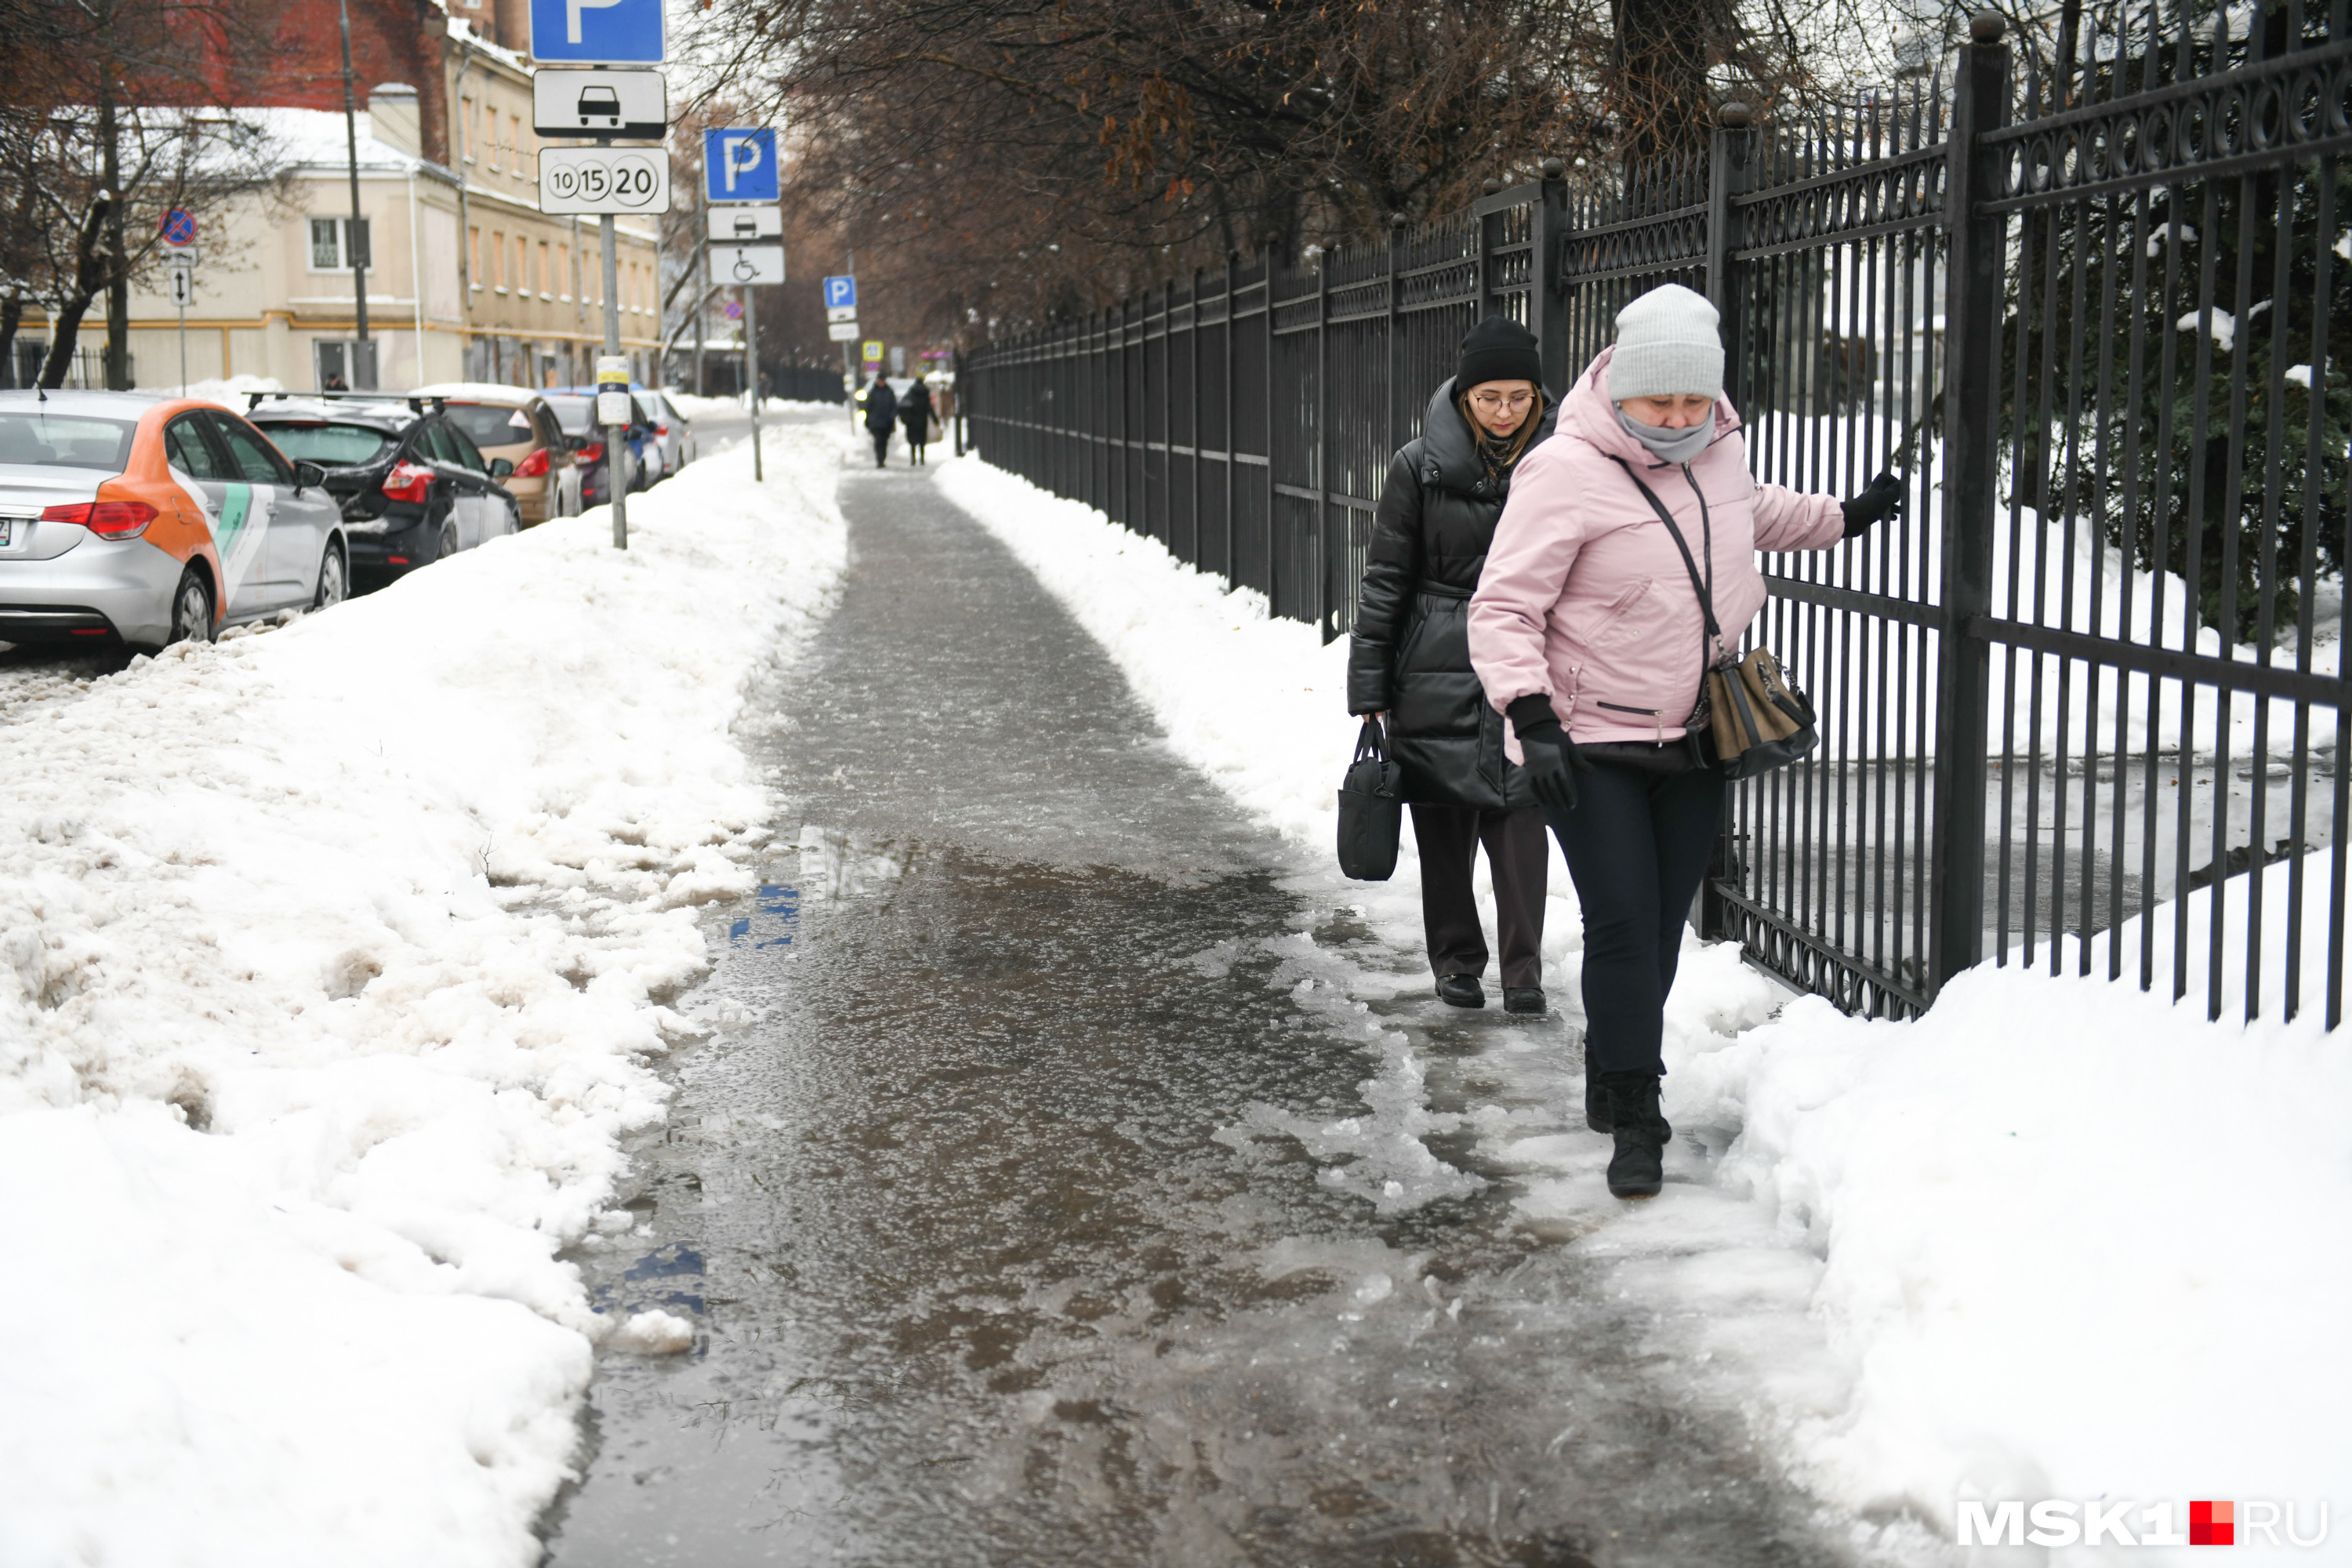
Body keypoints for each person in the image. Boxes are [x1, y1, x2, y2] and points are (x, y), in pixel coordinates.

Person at [1467, 283, 1903, 1199]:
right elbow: (1505, 607)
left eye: (1692, 402)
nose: (1675, 419)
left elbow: (1752, 512)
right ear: (1620, 389)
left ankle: (1609, 1057)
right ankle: (1636, 1111)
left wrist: (1846, 516)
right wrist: (1531, 717)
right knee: (1624, 922)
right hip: (1588, 742)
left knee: (1662, 928)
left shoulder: (1720, 448)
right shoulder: (1563, 470)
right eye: (1657, 402)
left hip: (1698, 737)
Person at [1349, 317, 1559, 1015]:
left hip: (1529, 656)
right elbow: (1385, 579)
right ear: (1465, 396)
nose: (1505, 412)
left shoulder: (1567, 463)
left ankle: (1524, 973)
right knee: (1442, 825)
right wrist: (1370, 686)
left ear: (1538, 394)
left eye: (1519, 398)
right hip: (1436, 660)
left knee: (1522, 821)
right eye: (1490, 398)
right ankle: (1457, 961)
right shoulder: (1418, 465)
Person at [862, 372, 898, 466]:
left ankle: (883, 457)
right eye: (880, 381)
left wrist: (892, 416)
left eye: (883, 381)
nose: (881, 382)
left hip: (887, 422)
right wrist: (868, 419)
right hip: (876, 422)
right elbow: (868, 407)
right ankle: (879, 459)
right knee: (878, 440)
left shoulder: (889, 392)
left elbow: (894, 406)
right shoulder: (873, 393)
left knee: (884, 441)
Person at [900, 373, 936, 466]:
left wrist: (904, 418)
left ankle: (913, 459)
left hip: (911, 421)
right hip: (922, 420)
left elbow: (903, 406)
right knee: (922, 441)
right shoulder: (925, 394)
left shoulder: (910, 394)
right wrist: (934, 419)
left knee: (912, 442)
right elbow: (929, 408)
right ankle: (922, 459)